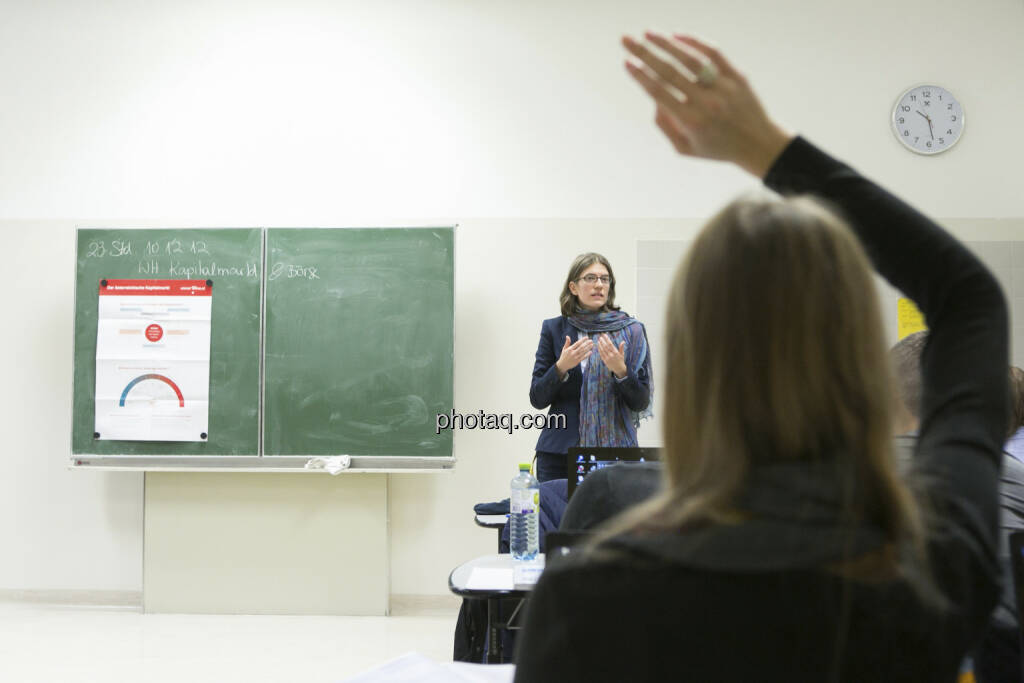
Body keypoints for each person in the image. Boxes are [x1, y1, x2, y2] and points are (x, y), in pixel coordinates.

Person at [514, 32, 1008, 682]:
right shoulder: (936, 566)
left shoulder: (585, 601)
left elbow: (638, 398)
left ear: (696, 372)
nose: (598, 286)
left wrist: (614, 369)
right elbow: (970, 299)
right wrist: (765, 147)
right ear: (863, 367)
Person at [528, 253, 653, 481]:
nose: (599, 285)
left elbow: (641, 401)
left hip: (616, 455)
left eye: (605, 279)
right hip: (560, 456)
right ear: (574, 287)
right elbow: (537, 398)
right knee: (559, 517)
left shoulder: (633, 331)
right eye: (591, 278)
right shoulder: (554, 329)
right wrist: (561, 368)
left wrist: (621, 372)